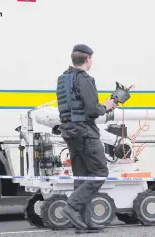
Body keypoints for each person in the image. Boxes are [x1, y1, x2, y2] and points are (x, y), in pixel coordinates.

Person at [56, 44, 117, 234]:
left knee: (81, 178)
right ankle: (72, 206)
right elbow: (92, 111)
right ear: (88, 60)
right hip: (85, 133)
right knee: (99, 172)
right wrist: (106, 106)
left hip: (69, 132)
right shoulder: (85, 79)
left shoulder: (62, 79)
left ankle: (83, 223)